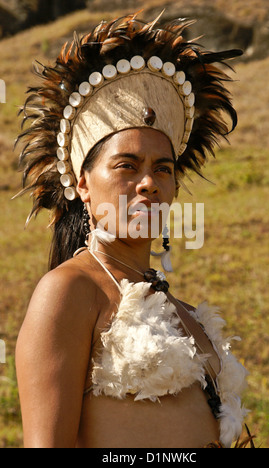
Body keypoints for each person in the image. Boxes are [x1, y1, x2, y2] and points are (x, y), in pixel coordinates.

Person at [15, 12, 249, 448]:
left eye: (163, 169)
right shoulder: (68, 293)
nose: (149, 182)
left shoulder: (183, 311)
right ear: (83, 185)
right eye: (127, 165)